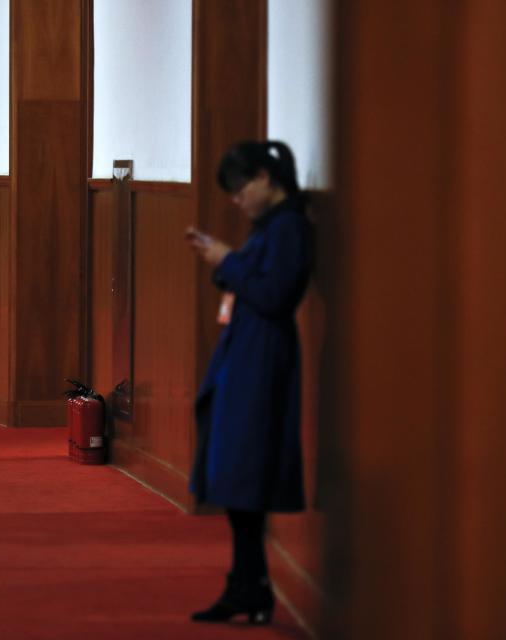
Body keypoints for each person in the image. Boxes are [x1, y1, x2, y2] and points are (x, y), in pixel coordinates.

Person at [185, 140, 312, 625]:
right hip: (248, 350)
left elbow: (276, 294)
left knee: (246, 469)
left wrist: (226, 259)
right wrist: (225, 260)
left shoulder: (290, 228)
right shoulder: (272, 227)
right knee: (237, 472)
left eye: (240, 189)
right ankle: (248, 582)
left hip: (263, 355)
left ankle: (250, 585)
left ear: (265, 178)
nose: (237, 200)